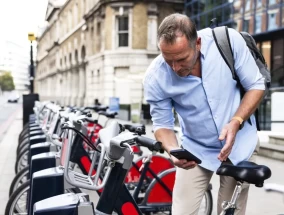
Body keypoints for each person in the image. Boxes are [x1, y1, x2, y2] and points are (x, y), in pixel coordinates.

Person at [143, 13, 265, 215]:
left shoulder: (227, 41)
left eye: (181, 59)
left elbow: (256, 85)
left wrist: (236, 121)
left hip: (240, 143)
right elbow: (162, 125)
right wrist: (173, 150)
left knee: (229, 210)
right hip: (196, 149)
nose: (175, 68)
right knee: (181, 211)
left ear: (197, 43)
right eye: (168, 60)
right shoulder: (155, 77)